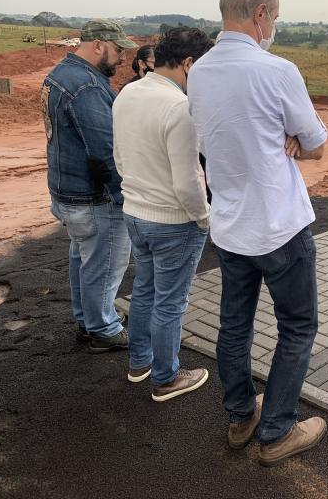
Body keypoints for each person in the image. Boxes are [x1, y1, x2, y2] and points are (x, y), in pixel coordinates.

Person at [188, 0, 328, 466]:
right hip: (279, 225)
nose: (275, 26)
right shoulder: (277, 71)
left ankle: (241, 414)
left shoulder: (199, 71)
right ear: (262, 13)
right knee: (296, 327)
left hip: (229, 225)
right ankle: (276, 431)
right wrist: (291, 140)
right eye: (276, 16)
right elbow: (314, 142)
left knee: (234, 324)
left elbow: (210, 142)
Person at [113, 27, 213, 401]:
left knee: (144, 290)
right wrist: (203, 216)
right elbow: (189, 179)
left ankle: (140, 363)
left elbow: (120, 158)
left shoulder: (127, 95)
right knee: (170, 301)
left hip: (134, 212)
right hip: (174, 221)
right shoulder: (180, 108)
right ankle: (166, 377)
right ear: (188, 63)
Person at [41, 19, 137, 353]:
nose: (123, 58)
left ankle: (88, 320)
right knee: (104, 264)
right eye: (118, 49)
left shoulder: (60, 75)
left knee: (84, 259)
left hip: (67, 191)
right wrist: (125, 198)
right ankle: (103, 329)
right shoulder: (87, 86)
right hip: (93, 197)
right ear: (98, 45)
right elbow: (105, 150)